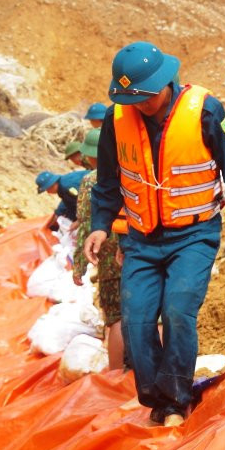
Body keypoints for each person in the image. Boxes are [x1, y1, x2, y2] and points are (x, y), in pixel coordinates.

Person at [85, 41, 225, 427]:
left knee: (177, 311)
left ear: (165, 81)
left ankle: (175, 400)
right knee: (136, 320)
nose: (142, 105)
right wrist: (100, 227)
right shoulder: (116, 120)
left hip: (194, 235)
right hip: (141, 240)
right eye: (134, 98)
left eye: (147, 96)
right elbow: (107, 181)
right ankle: (157, 398)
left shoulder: (205, 110)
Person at [73, 127, 127, 370]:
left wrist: (79, 264)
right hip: (139, 250)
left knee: (115, 318)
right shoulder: (132, 171)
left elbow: (86, 223)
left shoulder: (90, 181)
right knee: (150, 316)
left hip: (107, 258)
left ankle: (115, 379)